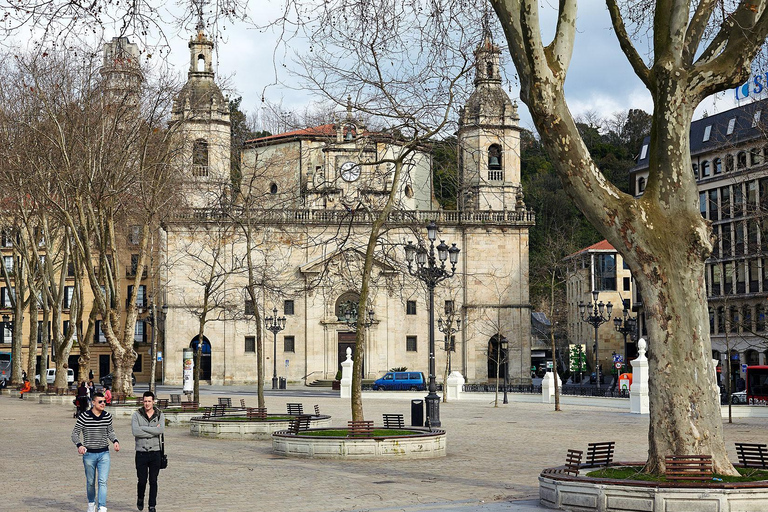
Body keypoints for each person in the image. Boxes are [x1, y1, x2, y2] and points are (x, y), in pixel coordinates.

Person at [71, 391, 120, 512]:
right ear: (93, 403)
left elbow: (110, 431)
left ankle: (102, 507)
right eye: (100, 402)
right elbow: (75, 434)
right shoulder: (84, 416)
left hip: (104, 454)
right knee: (91, 482)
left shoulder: (107, 416)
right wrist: (79, 445)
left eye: (104, 401)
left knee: (103, 481)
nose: (103, 404)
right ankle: (91, 503)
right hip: (89, 455)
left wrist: (115, 441)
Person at [132, 391, 165, 512]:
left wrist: (143, 429)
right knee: (142, 480)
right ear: (143, 401)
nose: (147, 404)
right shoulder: (137, 415)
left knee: (153, 481)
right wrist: (152, 430)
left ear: (153, 402)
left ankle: (152, 505)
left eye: (149, 401)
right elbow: (136, 432)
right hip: (141, 452)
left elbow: (160, 430)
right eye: (145, 401)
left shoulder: (159, 415)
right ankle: (140, 498)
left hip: (155, 452)